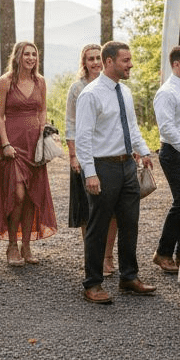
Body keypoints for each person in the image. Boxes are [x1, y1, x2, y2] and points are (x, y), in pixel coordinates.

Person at [75, 41, 159, 304]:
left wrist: (144, 152)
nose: (130, 64)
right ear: (109, 62)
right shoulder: (91, 94)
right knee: (98, 226)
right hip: (102, 166)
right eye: (126, 60)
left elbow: (132, 127)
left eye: (130, 60)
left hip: (126, 166)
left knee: (130, 222)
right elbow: (83, 138)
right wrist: (90, 173)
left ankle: (129, 277)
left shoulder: (125, 92)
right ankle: (93, 283)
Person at [0, 41, 59, 266]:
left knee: (32, 196)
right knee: (17, 195)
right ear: (18, 56)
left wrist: (45, 135)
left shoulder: (40, 82)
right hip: (13, 145)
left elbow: (42, 111)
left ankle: (27, 246)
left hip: (34, 145)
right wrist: (5, 143)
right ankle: (12, 244)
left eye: (34, 54)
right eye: (26, 54)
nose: (31, 58)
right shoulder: (5, 82)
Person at [66, 44, 117, 275]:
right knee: (88, 210)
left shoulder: (113, 86)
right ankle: (91, 256)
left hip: (110, 155)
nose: (95, 62)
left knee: (112, 210)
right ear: (84, 63)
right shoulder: (78, 88)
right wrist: (74, 156)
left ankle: (107, 256)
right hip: (86, 156)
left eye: (98, 58)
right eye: (90, 59)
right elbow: (70, 124)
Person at [151, 45, 180, 275]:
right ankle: (163, 252)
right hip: (174, 153)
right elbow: (167, 127)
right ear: (176, 64)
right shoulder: (167, 92)